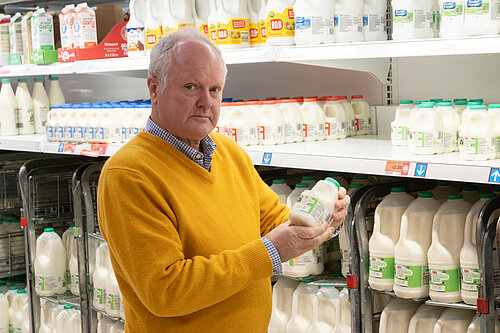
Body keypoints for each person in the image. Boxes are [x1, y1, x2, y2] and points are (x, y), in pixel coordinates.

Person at [97, 27, 350, 332]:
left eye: (215, 89)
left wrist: (322, 219)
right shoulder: (129, 175)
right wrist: (269, 252)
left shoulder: (229, 153)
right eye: (191, 87)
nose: (206, 101)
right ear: (154, 88)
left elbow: (274, 221)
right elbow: (165, 291)